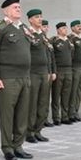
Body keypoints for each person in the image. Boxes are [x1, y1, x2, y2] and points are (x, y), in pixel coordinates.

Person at [0, 0, 32, 160]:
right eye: (15, 7)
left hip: (24, 77)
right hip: (8, 78)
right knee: (7, 115)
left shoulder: (24, 28)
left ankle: (18, 146)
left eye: (19, 7)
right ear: (6, 11)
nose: (18, 9)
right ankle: (7, 148)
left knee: (22, 114)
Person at [25, 9, 52, 143]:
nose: (40, 19)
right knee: (33, 103)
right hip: (33, 73)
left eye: (41, 16)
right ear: (30, 20)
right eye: (37, 17)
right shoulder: (28, 34)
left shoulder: (43, 35)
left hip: (44, 72)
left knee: (43, 102)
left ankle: (38, 130)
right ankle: (29, 132)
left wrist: (49, 71)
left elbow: (48, 54)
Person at [50, 22, 73, 125]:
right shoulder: (54, 41)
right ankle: (56, 117)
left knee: (66, 94)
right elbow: (52, 57)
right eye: (63, 28)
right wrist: (54, 71)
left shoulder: (69, 41)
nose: (65, 30)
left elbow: (72, 55)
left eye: (66, 28)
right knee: (56, 94)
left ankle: (65, 116)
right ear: (58, 30)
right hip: (59, 70)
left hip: (68, 70)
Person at [68, 20, 81, 122]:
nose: (80, 27)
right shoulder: (71, 38)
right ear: (72, 28)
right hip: (75, 68)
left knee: (79, 91)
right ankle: (71, 113)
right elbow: (70, 54)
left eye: (80, 25)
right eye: (77, 26)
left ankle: (76, 111)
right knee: (73, 91)